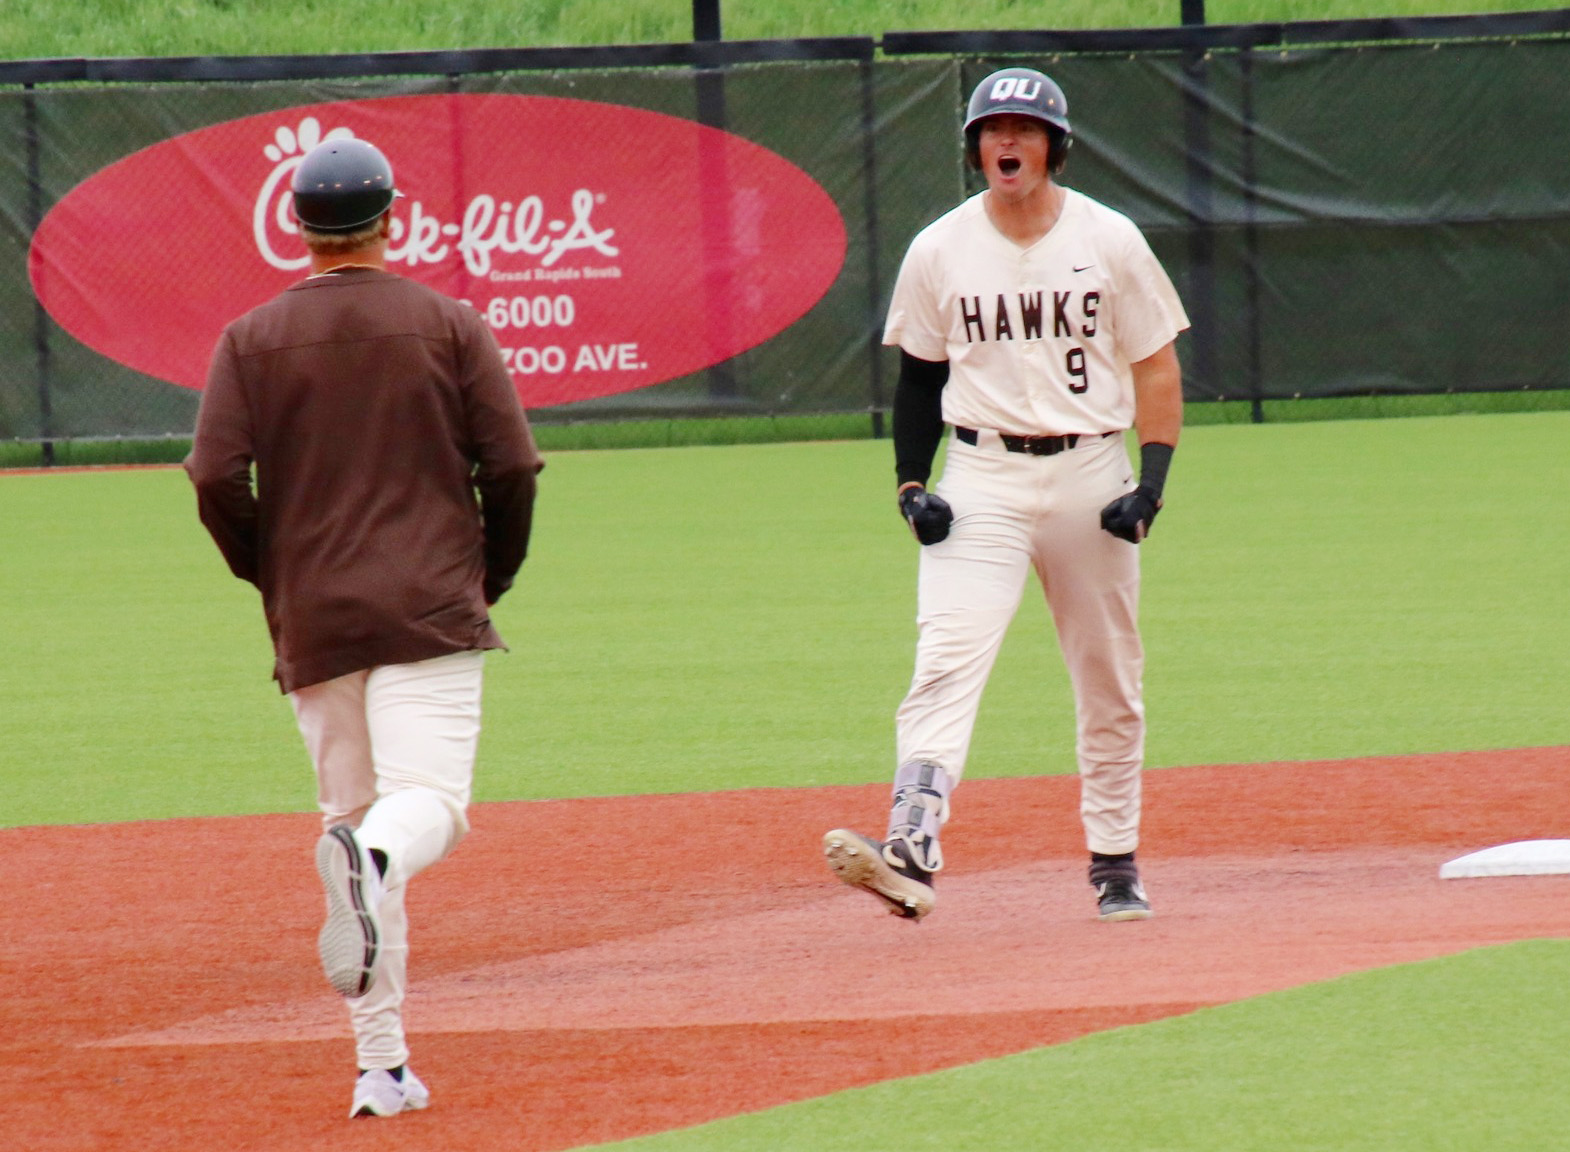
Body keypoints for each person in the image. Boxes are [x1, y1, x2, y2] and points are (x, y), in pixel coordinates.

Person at [184, 136, 543, 1118]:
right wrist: (488, 574)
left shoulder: (250, 339)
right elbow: (510, 466)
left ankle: (380, 1068)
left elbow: (213, 476)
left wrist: (272, 569)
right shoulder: (450, 323)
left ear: (296, 228)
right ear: (394, 217)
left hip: (315, 617)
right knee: (423, 809)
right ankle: (373, 870)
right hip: (426, 603)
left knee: (349, 823)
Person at [823, 67, 1188, 924]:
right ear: (974, 147)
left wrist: (1153, 484)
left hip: (1092, 471)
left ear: (1055, 146)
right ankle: (911, 844)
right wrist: (912, 484)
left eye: (1024, 129)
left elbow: (1155, 366)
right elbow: (919, 380)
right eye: (993, 130)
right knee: (946, 658)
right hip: (980, 474)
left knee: (1109, 679)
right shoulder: (940, 248)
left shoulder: (1110, 239)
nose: (1007, 143)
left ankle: (1115, 862)